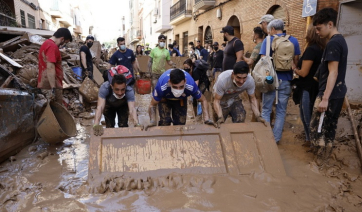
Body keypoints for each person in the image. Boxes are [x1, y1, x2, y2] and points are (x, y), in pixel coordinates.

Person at [309, 8, 348, 158]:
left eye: (319, 28)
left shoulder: (333, 44)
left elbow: (333, 72)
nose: (317, 32)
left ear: (330, 24)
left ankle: (318, 163)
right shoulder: (341, 40)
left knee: (318, 130)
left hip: (329, 95)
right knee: (330, 129)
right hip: (337, 93)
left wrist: (324, 99)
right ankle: (325, 160)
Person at [259, 19, 301, 144]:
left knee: (266, 110)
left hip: (270, 79)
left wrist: (268, 78)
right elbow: (296, 61)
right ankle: (276, 139)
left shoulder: (267, 40)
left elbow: (263, 62)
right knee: (281, 111)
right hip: (286, 80)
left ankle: (266, 139)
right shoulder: (293, 40)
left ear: (272, 29)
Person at [145, 69, 214, 130]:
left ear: (185, 81)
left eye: (181, 87)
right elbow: (152, 104)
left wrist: (207, 119)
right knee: (165, 122)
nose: (178, 90)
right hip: (164, 99)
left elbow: (203, 100)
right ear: (170, 82)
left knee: (180, 124)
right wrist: (152, 121)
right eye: (175, 87)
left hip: (181, 99)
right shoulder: (162, 85)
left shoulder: (190, 85)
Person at [293, 25, 325, 147]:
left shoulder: (311, 50)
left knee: (306, 115)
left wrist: (295, 69)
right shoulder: (323, 49)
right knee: (311, 114)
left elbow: (304, 72)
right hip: (316, 87)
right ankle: (309, 139)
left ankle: (311, 141)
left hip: (307, 87)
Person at [213, 61, 266, 128]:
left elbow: (252, 99)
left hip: (234, 97)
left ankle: (236, 137)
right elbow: (216, 100)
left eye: (244, 78)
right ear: (233, 74)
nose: (241, 81)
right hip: (220, 99)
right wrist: (220, 117)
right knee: (219, 124)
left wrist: (258, 116)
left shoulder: (250, 81)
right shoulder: (223, 80)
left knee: (240, 117)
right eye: (238, 77)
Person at [37, 28, 72, 104]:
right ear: (62, 39)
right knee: (55, 111)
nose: (63, 45)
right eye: (64, 43)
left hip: (47, 83)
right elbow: (50, 67)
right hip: (51, 85)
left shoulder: (47, 44)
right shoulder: (52, 46)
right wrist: (53, 88)